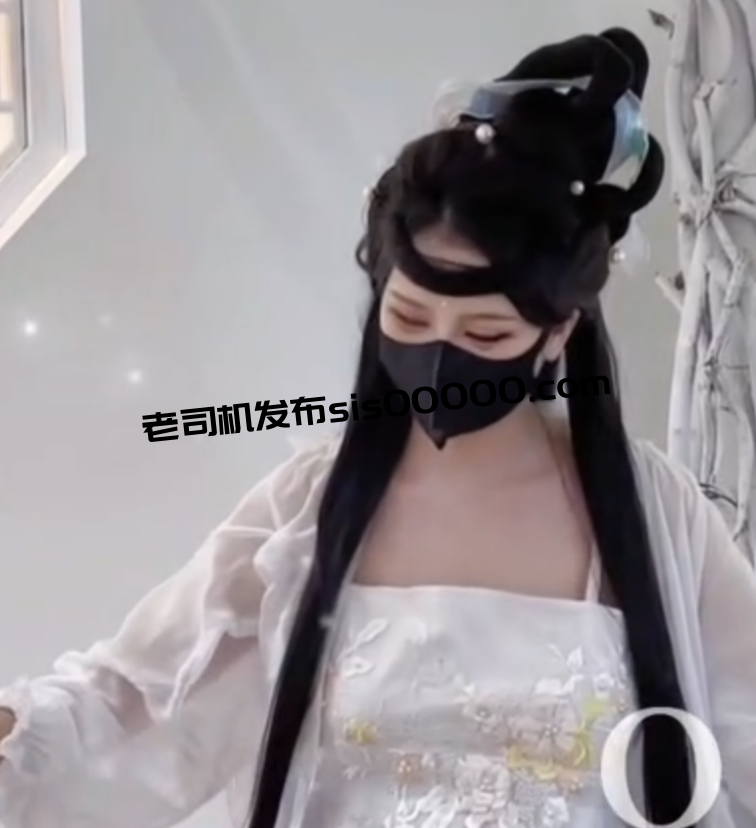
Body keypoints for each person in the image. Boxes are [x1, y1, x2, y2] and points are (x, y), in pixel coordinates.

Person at [1, 25, 756, 828]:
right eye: (410, 317)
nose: (440, 354)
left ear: (557, 334)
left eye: (485, 334)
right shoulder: (307, 507)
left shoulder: (655, 514)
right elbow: (139, 699)